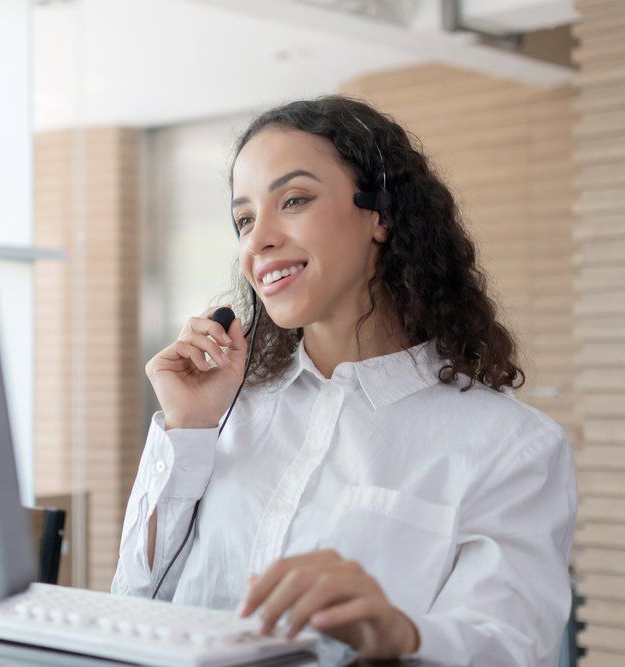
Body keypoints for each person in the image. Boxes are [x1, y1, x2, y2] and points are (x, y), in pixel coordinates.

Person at [111, 95, 577, 666]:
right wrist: (189, 429)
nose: (258, 241)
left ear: (379, 214)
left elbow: (508, 647)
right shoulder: (227, 411)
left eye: (295, 200)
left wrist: (399, 634)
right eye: (244, 219)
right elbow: (132, 603)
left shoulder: (511, 446)